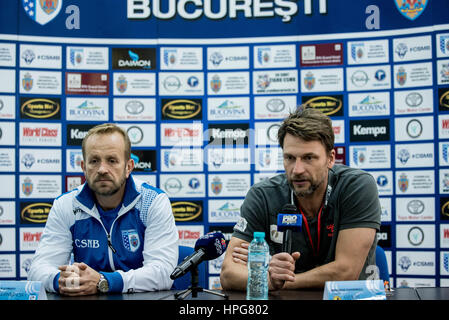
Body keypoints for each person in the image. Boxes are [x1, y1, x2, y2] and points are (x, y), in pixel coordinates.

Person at [220, 106, 381, 290]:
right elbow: (228, 274)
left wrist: (281, 281)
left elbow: (346, 272)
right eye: (290, 157)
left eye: (309, 158)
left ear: (330, 159)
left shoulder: (356, 186)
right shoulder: (262, 195)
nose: (297, 170)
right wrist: (270, 280)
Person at [28, 123, 178, 295]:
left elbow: (164, 273)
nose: (102, 169)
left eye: (112, 161)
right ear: (84, 167)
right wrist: (61, 280)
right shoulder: (67, 204)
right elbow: (37, 270)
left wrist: (104, 281)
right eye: (94, 161)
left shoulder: (152, 202)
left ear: (129, 167)